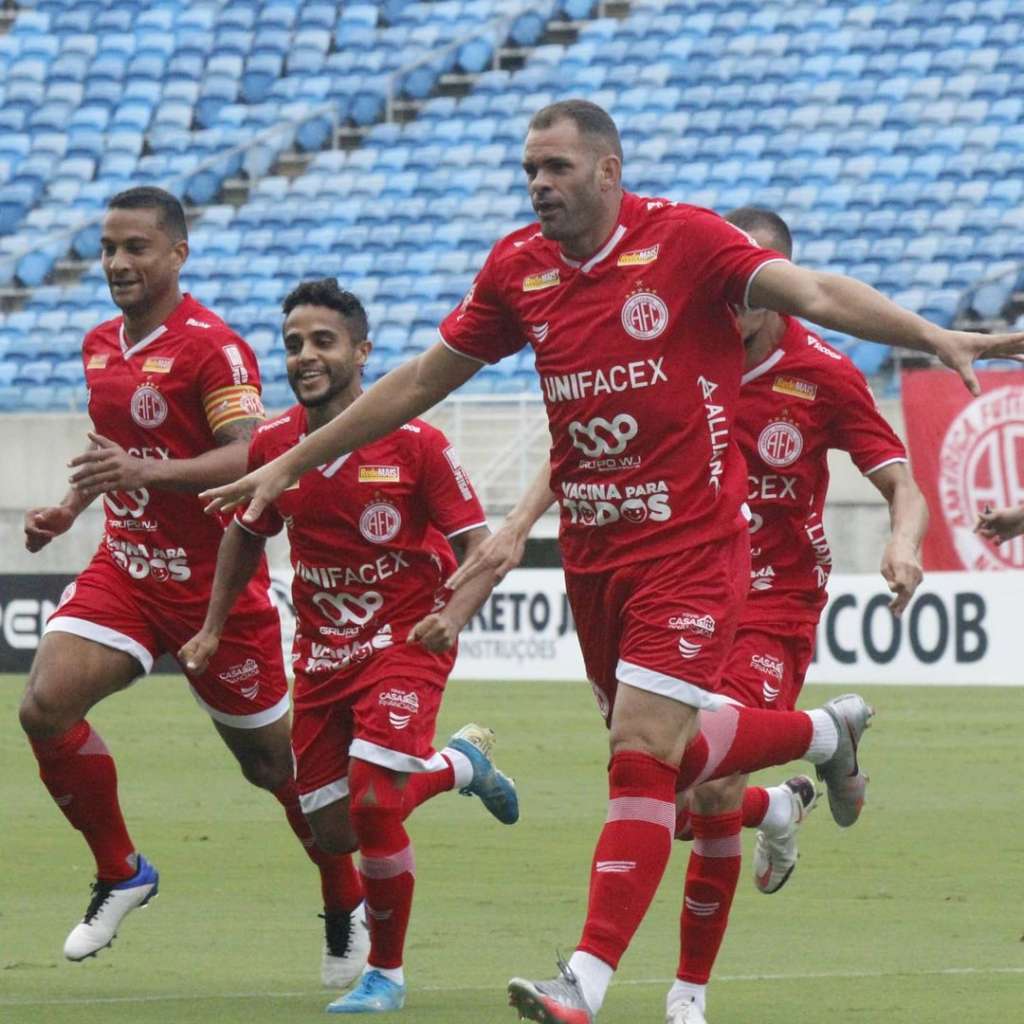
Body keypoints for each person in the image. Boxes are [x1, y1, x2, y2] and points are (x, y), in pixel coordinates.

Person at [198, 101, 1024, 1023]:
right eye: (528, 171)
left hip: (696, 548)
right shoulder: (517, 267)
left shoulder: (688, 242)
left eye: (555, 167)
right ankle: (826, 735)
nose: (539, 185)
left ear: (607, 170)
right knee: (665, 763)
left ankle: (585, 981)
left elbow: (820, 295)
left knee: (644, 753)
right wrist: (291, 459)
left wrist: (935, 337)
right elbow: (422, 382)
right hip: (597, 561)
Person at [19, 187, 368, 985]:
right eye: (108, 248)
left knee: (277, 771)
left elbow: (248, 456)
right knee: (44, 705)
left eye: (135, 248)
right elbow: (114, 444)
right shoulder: (99, 343)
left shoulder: (215, 348)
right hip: (128, 569)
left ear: (177, 254)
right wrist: (70, 505)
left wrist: (148, 470)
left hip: (216, 586)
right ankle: (122, 871)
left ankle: (345, 895)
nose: (116, 263)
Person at [180, 278, 518, 1014]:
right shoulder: (272, 445)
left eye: (323, 340)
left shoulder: (418, 442)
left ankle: (386, 976)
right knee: (331, 827)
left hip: (407, 641)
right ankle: (463, 765)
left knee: (370, 805)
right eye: (294, 342)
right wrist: (211, 626)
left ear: (363, 352)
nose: (305, 355)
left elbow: (479, 545)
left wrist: (454, 615)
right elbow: (245, 534)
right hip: (325, 656)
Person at [663, 206, 929, 1024]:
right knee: (667, 787)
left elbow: (901, 482)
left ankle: (687, 996)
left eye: (760, 275)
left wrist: (903, 544)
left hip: (774, 599)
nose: (741, 292)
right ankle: (787, 795)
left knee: (708, 786)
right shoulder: (678, 358)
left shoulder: (823, 371)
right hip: (681, 591)